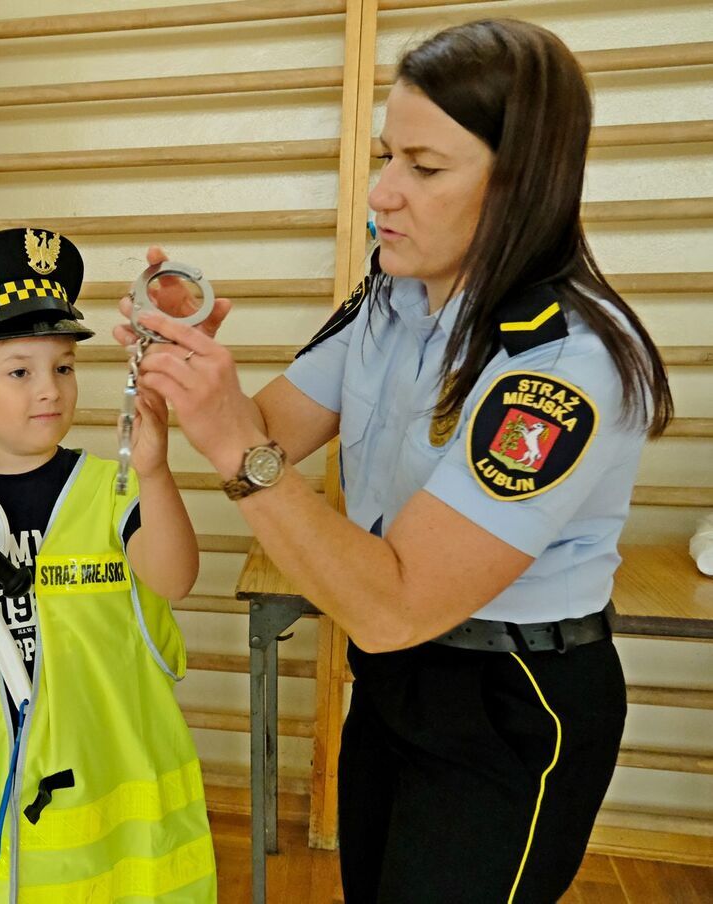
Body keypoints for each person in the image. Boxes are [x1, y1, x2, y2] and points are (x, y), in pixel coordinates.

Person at [116, 19, 673, 903]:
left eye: (424, 166)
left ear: (521, 181)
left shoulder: (560, 364)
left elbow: (391, 602)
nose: (381, 191)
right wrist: (188, 365)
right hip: (393, 682)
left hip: (510, 700)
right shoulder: (391, 296)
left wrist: (232, 439)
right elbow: (271, 429)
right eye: (386, 156)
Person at [0, 229, 216, 901]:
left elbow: (175, 579)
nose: (48, 389)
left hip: (106, 784)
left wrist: (155, 471)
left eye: (63, 367)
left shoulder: (115, 489)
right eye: (19, 371)